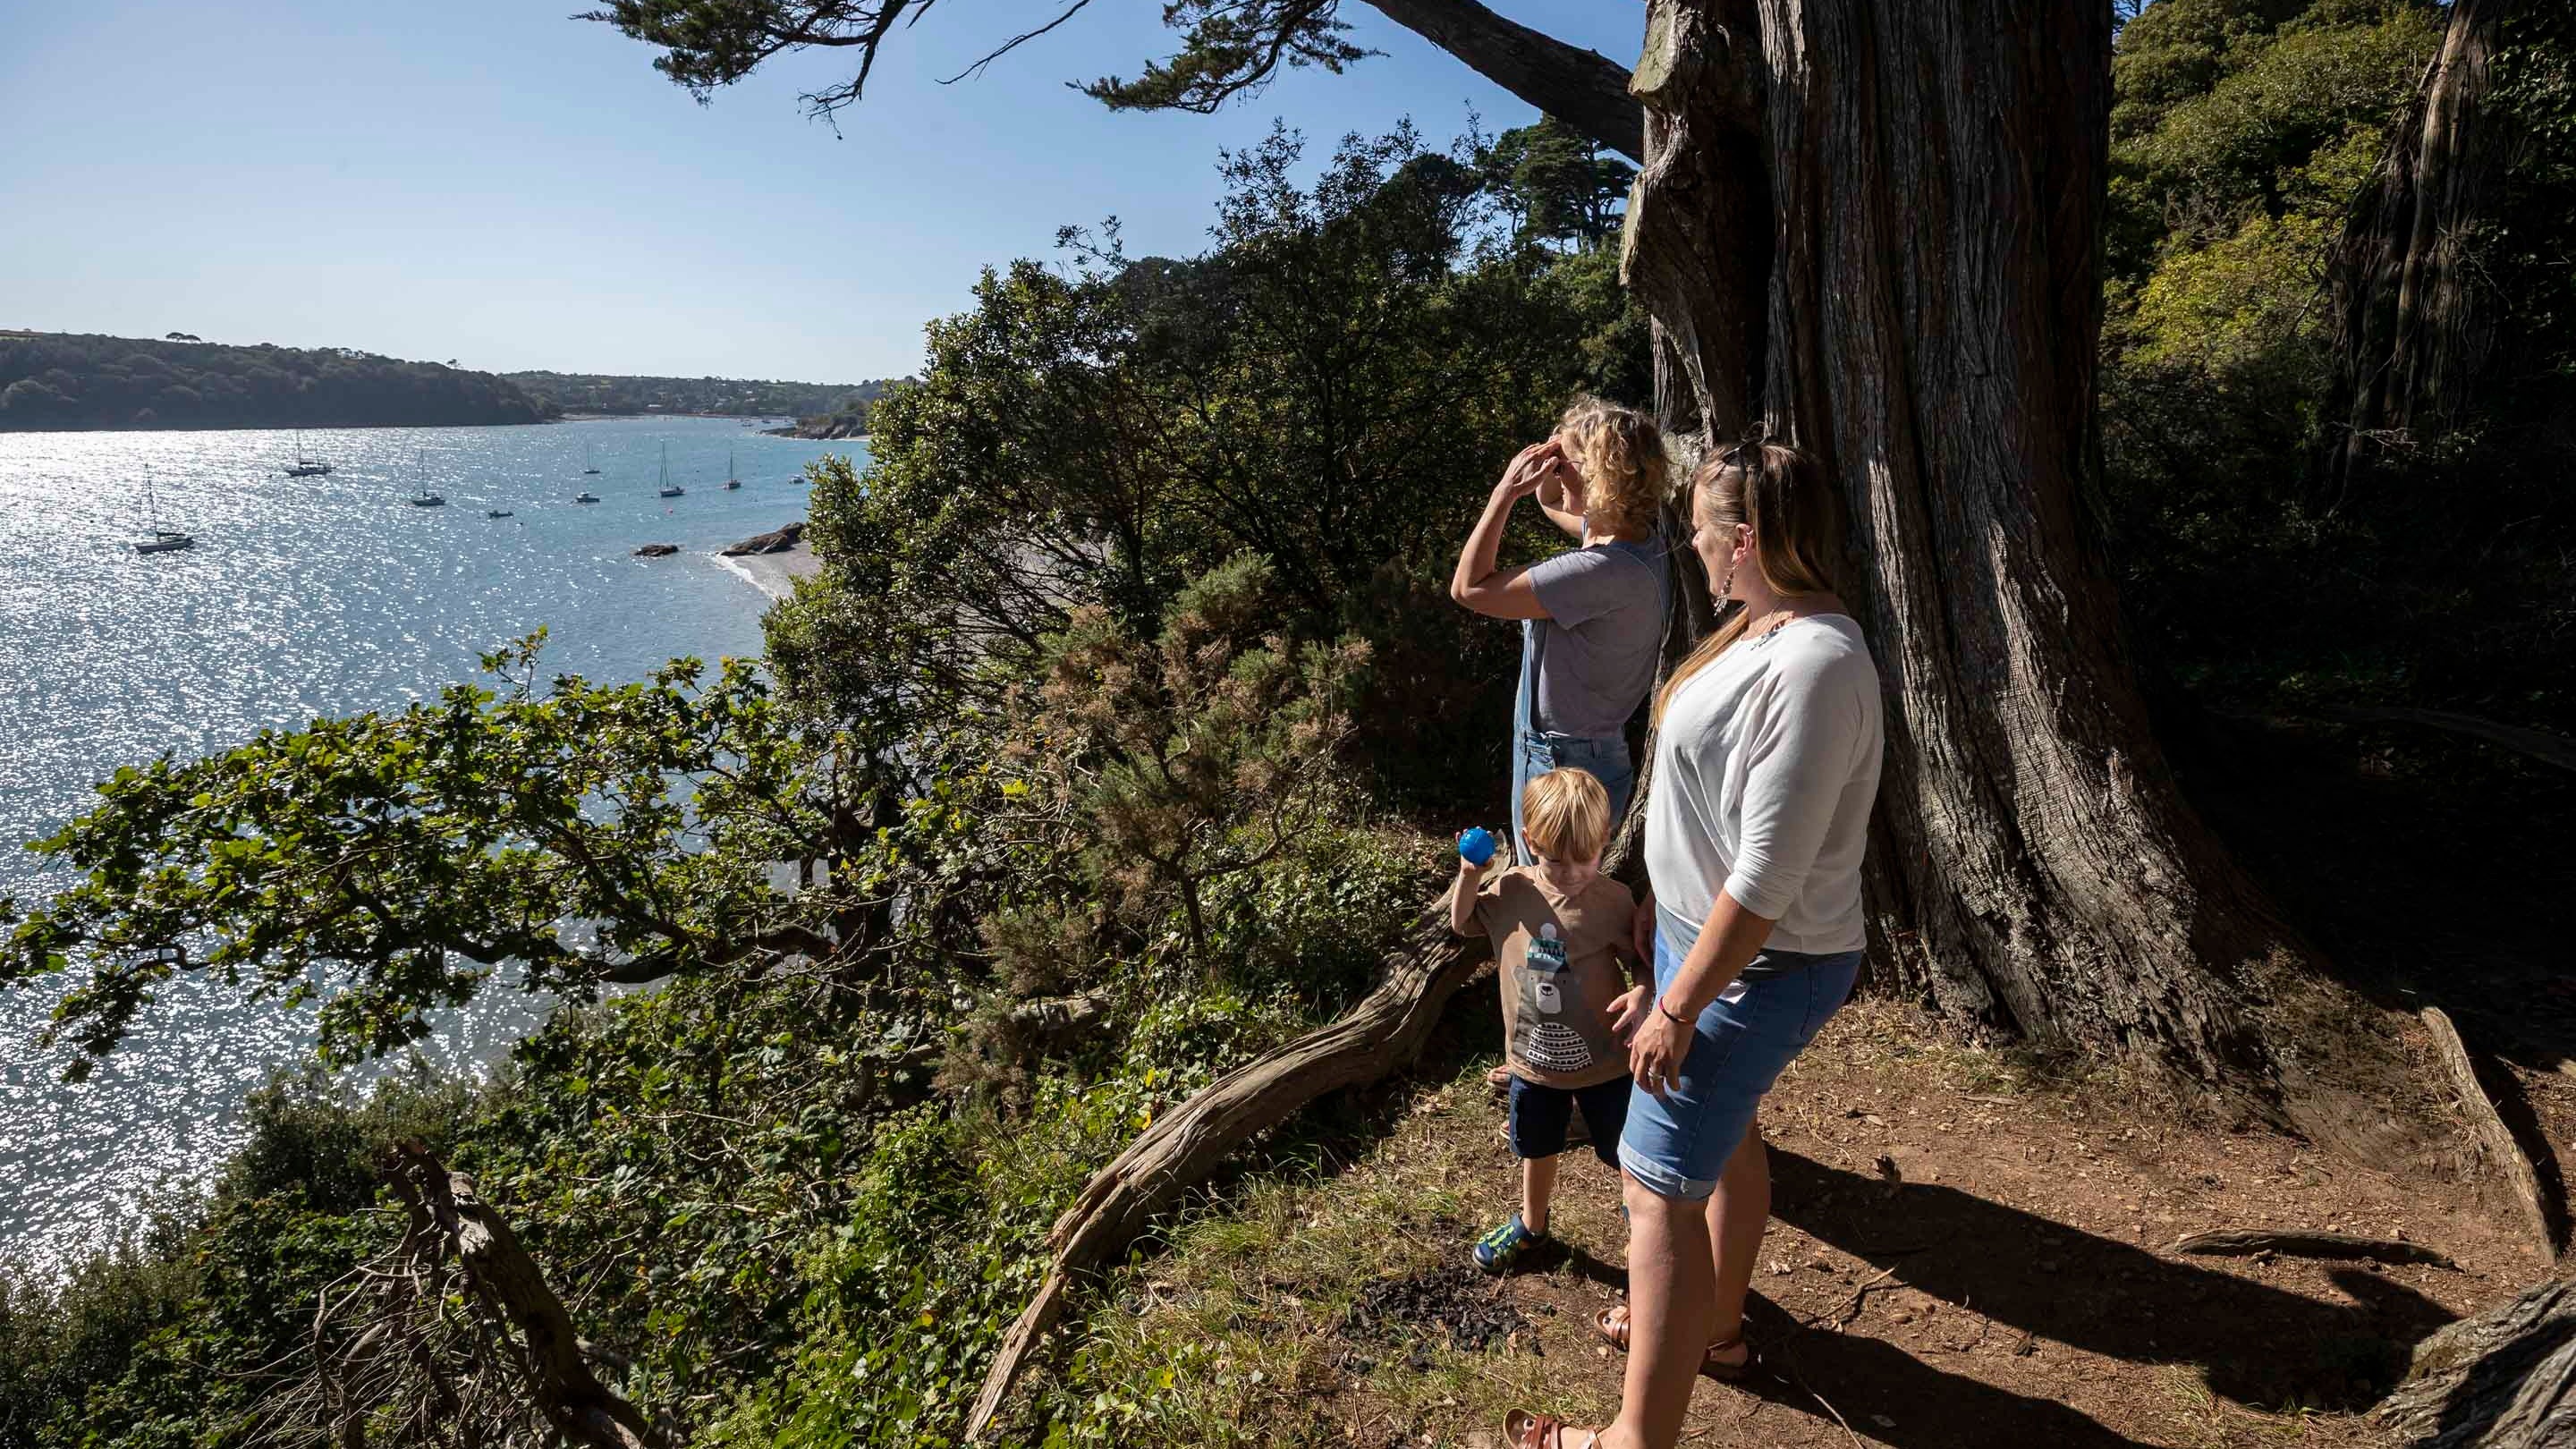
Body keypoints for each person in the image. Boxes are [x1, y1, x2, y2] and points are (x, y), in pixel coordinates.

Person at [1503, 440, 1885, 1449]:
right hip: (1700, 943)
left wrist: (1677, 1005)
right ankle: (1713, 1332)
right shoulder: (1758, 628)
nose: (1696, 549)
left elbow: (1766, 879)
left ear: (1745, 539)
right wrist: (1659, 916)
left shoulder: (1815, 664)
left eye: (1705, 534)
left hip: (1758, 967)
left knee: (1654, 1188)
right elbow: (1709, 812)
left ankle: (1635, 1439)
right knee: (1730, 1135)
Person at [1451, 397, 1670, 865]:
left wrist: (1503, 494)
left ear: (1598, 477)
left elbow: (1468, 589)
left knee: (1551, 895)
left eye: (1565, 464)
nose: (1557, 471)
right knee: (1567, 889)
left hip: (1560, 763)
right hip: (1587, 752)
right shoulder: (1637, 542)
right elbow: (1551, 500)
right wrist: (1557, 454)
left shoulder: (1596, 572)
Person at [1450, 767, 1646, 1275]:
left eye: (1585, 857)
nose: (1572, 873)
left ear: (1606, 839)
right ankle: (1532, 1225)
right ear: (1531, 841)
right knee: (1536, 1148)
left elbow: (1644, 960)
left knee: (1626, 1154)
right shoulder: (1512, 890)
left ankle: (1645, 1231)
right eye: (1556, 859)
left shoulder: (1614, 901)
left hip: (1607, 1063)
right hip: (1532, 1063)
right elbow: (1463, 922)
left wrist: (1644, 992)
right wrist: (1470, 874)